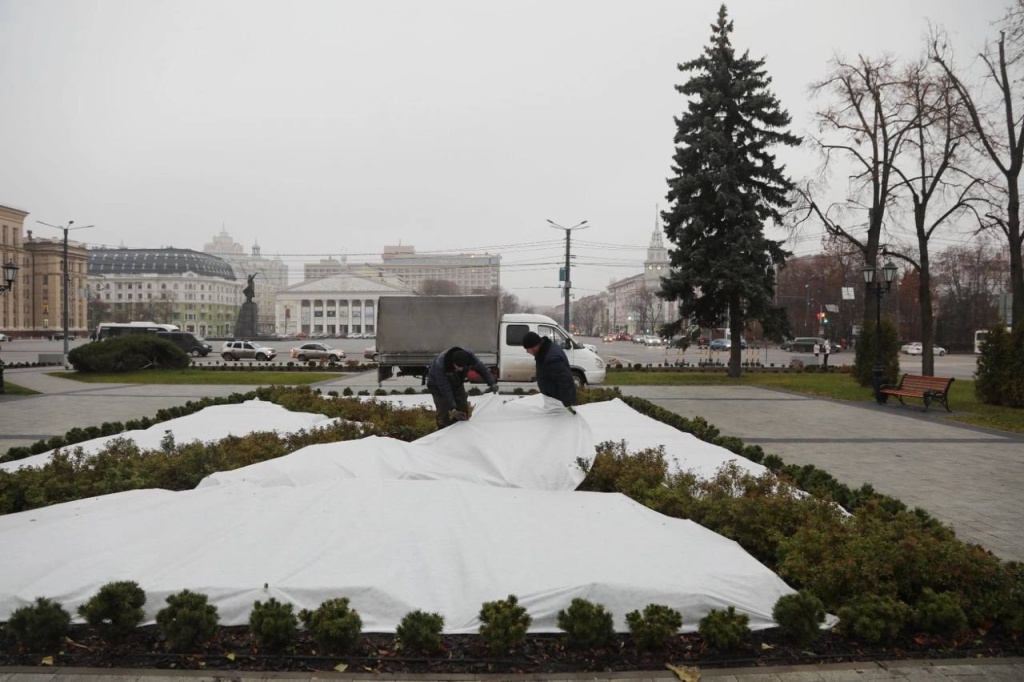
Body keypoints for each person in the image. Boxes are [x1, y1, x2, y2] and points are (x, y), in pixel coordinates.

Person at [426, 347, 498, 429]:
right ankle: (443, 434)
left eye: (463, 367)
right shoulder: (441, 364)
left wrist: (492, 383)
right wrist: (453, 409)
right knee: (443, 415)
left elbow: (482, 369)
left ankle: (458, 434)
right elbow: (445, 388)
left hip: (457, 384)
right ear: (453, 362)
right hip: (437, 387)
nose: (461, 369)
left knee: (463, 412)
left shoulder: (470, 358)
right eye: (458, 367)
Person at [521, 331, 577, 413]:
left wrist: (567, 403)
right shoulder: (545, 350)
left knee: (558, 423)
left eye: (527, 349)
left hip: (558, 402)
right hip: (555, 398)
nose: (527, 351)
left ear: (534, 346)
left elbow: (564, 380)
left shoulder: (551, 358)